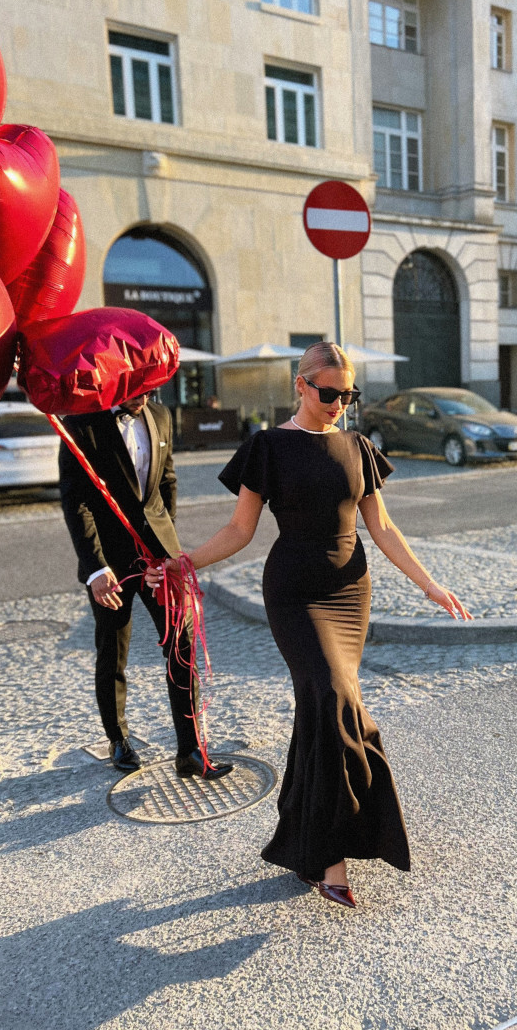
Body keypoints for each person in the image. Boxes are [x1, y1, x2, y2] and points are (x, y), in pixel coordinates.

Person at [146, 342, 472, 909]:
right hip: (295, 594)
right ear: (300, 386)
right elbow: (240, 530)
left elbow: (384, 528)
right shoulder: (268, 447)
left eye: (348, 394)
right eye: (328, 393)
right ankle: (330, 854)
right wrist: (185, 561)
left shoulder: (358, 447)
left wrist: (430, 585)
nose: (339, 404)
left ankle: (307, 839)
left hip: (351, 593)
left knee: (323, 708)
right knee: (331, 695)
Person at [58, 392, 233, 780]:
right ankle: (118, 738)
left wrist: (167, 548)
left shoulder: (160, 414)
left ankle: (190, 751)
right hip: (110, 564)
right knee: (113, 648)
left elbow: (166, 480)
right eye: (136, 390)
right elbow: (76, 502)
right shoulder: (80, 423)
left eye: (151, 390)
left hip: (160, 559)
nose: (144, 398)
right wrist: (95, 568)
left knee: (181, 645)